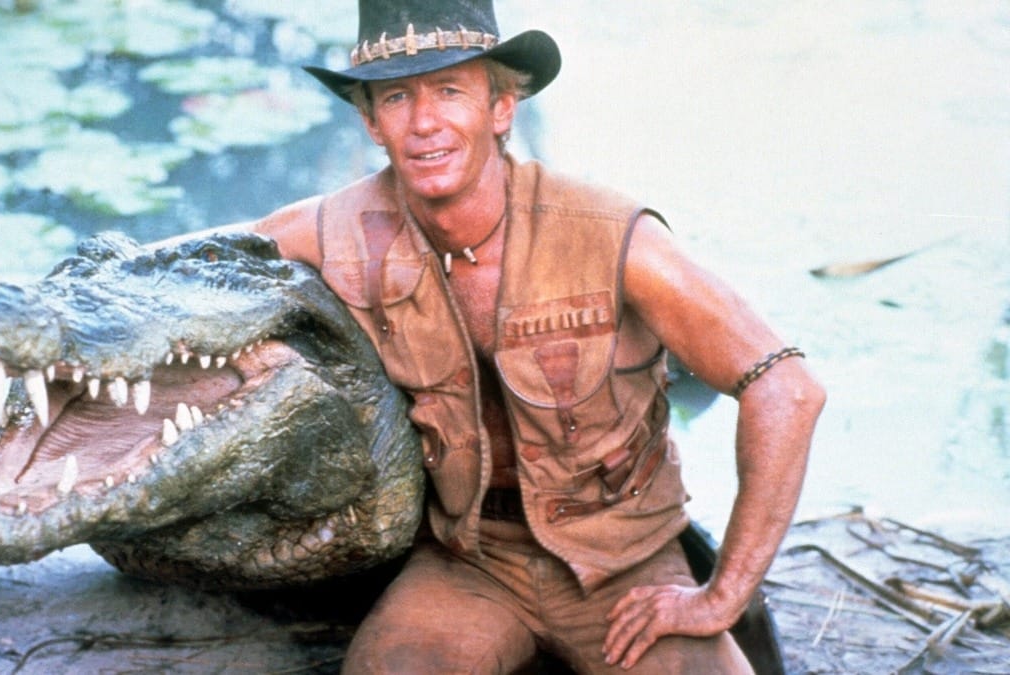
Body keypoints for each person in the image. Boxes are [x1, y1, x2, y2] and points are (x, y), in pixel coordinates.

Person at [250, 1, 826, 672]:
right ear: (372, 121)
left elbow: (786, 388)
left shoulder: (612, 235)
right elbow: (178, 274)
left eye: (449, 89)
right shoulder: (336, 227)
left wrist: (722, 593)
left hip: (625, 563)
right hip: (468, 563)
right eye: (398, 96)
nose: (424, 121)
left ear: (501, 107)